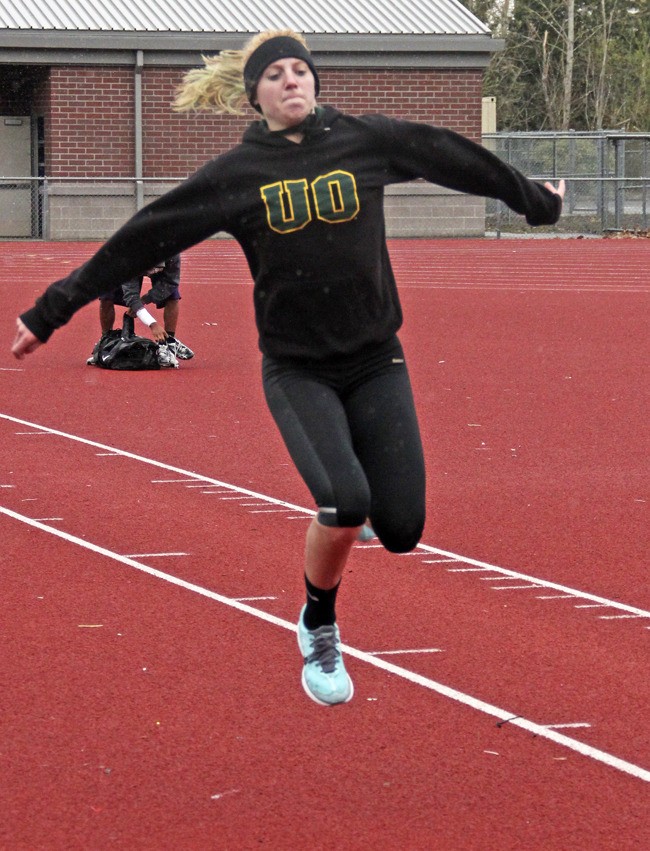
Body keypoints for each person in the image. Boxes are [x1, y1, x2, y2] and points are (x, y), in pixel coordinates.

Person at [12, 29, 565, 706]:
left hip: (374, 359)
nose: (291, 81)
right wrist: (50, 310)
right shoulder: (236, 177)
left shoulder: (366, 140)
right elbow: (144, 236)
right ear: (255, 97)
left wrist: (538, 202)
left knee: (402, 529)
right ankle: (319, 621)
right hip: (298, 369)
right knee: (344, 502)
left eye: (300, 70)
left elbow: (454, 157)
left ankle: (354, 496)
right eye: (274, 74)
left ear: (315, 81)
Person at [86, 254, 194, 365]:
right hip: (124, 263)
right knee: (106, 296)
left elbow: (171, 283)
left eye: (156, 268)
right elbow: (131, 296)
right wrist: (152, 324)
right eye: (149, 269)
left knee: (172, 296)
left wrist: (146, 299)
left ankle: (169, 343)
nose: (151, 272)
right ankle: (105, 340)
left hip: (157, 261)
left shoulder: (173, 253)